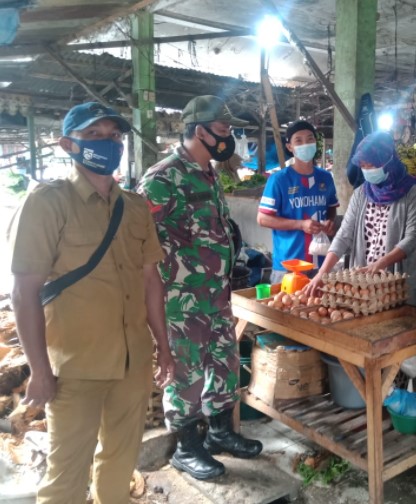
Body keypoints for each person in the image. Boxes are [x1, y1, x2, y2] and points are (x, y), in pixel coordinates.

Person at [8, 102, 174, 503]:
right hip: (76, 365)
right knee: (66, 475)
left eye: (114, 136)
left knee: (119, 462)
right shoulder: (48, 203)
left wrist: (163, 349)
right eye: (94, 135)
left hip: (133, 362)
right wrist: (40, 371)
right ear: (68, 144)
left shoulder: (135, 207)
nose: (107, 143)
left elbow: (151, 281)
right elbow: (23, 293)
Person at [137, 95, 262, 481]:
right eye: (223, 131)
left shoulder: (208, 173)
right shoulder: (162, 179)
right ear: (198, 130)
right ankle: (186, 448)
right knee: (186, 375)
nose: (229, 139)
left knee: (224, 367)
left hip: (217, 296)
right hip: (181, 302)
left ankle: (220, 433)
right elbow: (140, 245)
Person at [305, 131, 416, 304]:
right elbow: (344, 234)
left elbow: (413, 237)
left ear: (388, 161)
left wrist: (381, 263)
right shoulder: (361, 193)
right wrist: (322, 273)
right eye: (363, 166)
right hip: (363, 286)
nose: (367, 170)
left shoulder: (411, 192)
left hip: (396, 285)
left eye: (371, 165)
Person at [257, 120, 339, 283]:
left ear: (316, 143)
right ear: (290, 147)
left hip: (321, 263)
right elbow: (262, 219)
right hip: (289, 266)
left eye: (310, 139)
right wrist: (300, 225)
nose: (305, 144)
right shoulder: (278, 180)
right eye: (298, 141)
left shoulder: (325, 177)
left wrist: (330, 222)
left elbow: (331, 207)